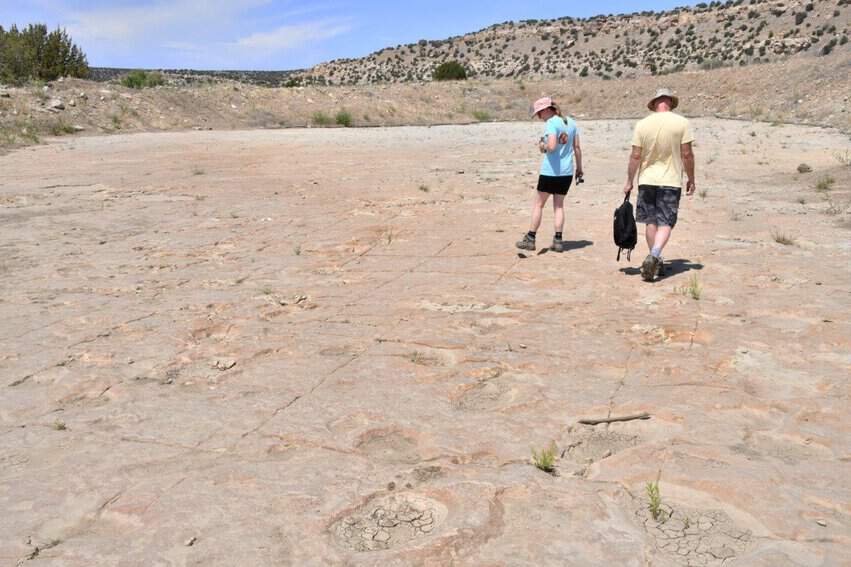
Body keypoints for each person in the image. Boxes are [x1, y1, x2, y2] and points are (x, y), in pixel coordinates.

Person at [623, 88, 695, 281]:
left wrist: (629, 180)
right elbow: (687, 154)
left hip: (647, 180)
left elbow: (635, 156)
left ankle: (656, 261)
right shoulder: (682, 123)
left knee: (651, 221)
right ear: (670, 102)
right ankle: (654, 255)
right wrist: (691, 178)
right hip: (670, 181)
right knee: (666, 222)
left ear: (655, 103)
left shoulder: (642, 124)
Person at [516, 96, 583, 253]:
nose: (539, 117)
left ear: (547, 110)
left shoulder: (551, 123)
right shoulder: (571, 122)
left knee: (538, 204)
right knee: (559, 206)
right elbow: (577, 148)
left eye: (540, 113)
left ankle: (531, 238)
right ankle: (558, 240)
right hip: (566, 172)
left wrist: (542, 146)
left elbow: (551, 146)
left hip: (550, 172)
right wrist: (579, 169)